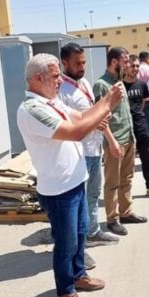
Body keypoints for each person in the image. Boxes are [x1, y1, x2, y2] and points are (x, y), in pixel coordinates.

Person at [17, 53, 123, 297]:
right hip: (58, 191)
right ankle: (65, 291)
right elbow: (76, 132)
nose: (59, 81)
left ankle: (78, 275)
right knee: (66, 244)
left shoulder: (53, 102)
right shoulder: (32, 109)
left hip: (75, 183)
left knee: (80, 235)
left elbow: (82, 116)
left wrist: (102, 107)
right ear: (38, 78)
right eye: (55, 76)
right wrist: (108, 103)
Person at [58, 43, 120, 251]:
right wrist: (94, 121)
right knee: (79, 202)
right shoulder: (61, 91)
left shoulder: (84, 82)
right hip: (78, 154)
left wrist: (109, 138)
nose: (82, 67)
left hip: (94, 150)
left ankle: (93, 231)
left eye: (84, 62)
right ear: (64, 63)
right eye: (77, 63)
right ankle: (79, 245)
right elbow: (66, 125)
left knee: (93, 194)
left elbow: (95, 114)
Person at [93, 47, 148, 236]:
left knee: (127, 179)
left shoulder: (120, 82)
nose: (127, 65)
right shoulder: (101, 85)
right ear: (114, 62)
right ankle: (112, 219)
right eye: (125, 61)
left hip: (128, 138)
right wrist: (112, 142)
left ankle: (126, 212)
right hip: (115, 142)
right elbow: (101, 117)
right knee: (112, 183)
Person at [123, 55, 149, 200]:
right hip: (124, 128)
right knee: (125, 162)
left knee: (146, 158)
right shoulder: (119, 86)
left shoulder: (142, 85)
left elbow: (142, 103)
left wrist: (138, 117)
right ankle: (123, 194)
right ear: (125, 67)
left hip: (140, 125)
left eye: (137, 66)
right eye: (132, 66)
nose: (135, 69)